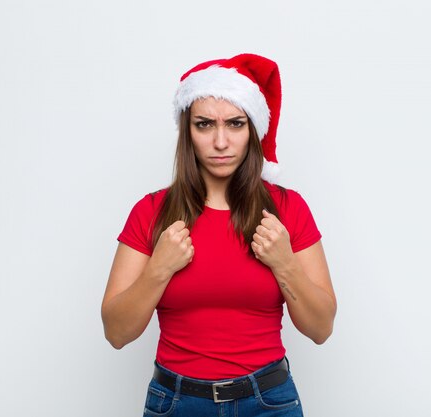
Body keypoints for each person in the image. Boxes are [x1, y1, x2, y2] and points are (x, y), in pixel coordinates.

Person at [102, 53, 337, 417]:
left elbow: (321, 329)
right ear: (188, 131)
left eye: (235, 124)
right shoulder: (151, 212)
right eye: (205, 125)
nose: (221, 142)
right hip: (176, 402)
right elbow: (116, 333)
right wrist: (158, 270)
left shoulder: (287, 209)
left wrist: (285, 264)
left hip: (269, 402)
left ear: (253, 130)